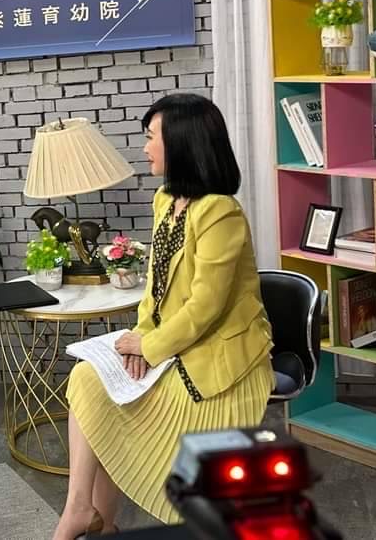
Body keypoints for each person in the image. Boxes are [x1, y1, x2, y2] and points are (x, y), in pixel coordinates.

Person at [53, 94, 274, 539]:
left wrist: (150, 347)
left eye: (151, 136)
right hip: (173, 343)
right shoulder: (165, 200)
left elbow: (206, 306)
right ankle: (87, 512)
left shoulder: (220, 211)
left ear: (181, 142)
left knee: (112, 407)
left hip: (220, 361)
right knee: (88, 379)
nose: (145, 147)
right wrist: (139, 338)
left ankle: (91, 517)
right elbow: (156, 287)